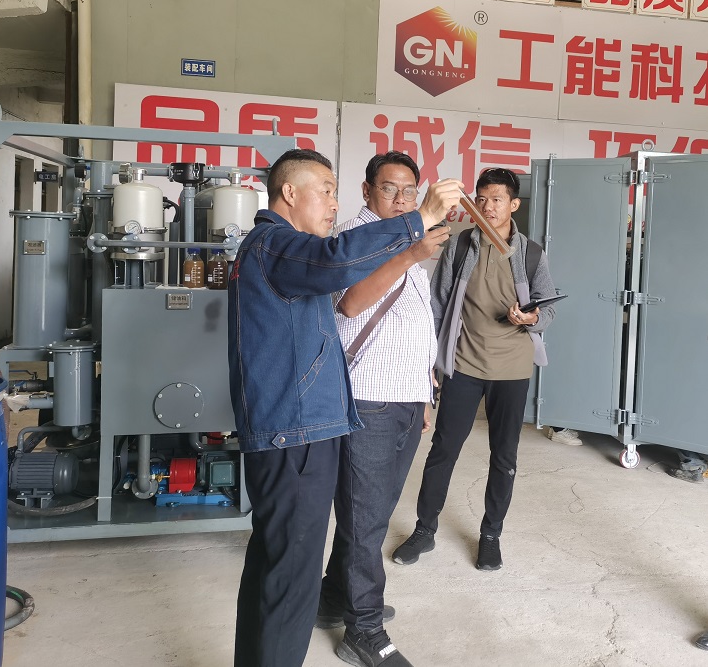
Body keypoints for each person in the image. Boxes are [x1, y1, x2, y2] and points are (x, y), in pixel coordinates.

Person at [227, 148, 462, 667]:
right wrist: (418, 219)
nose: (333, 204)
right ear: (290, 193)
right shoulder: (279, 245)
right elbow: (339, 265)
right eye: (326, 191)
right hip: (296, 430)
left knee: (278, 565)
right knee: (292, 578)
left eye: (335, 192)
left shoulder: (275, 248)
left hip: (300, 426)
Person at [316, 152, 450, 667]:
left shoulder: (411, 237)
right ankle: (364, 629)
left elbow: (415, 321)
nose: (400, 199)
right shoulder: (355, 237)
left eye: (409, 190)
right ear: (367, 190)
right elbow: (351, 304)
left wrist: (423, 390)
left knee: (369, 513)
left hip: (405, 395)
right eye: (389, 189)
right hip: (367, 396)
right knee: (366, 518)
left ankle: (334, 599)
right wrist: (412, 254)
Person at [392, 167, 557, 573]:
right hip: (463, 363)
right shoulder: (460, 245)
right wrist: (429, 363)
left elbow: (547, 308)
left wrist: (531, 318)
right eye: (481, 199)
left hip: (512, 368)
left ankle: (490, 535)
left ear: (513, 204)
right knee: (443, 449)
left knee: (504, 456)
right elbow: (436, 305)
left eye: (497, 199)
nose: (487, 207)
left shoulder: (531, 254)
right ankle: (424, 529)